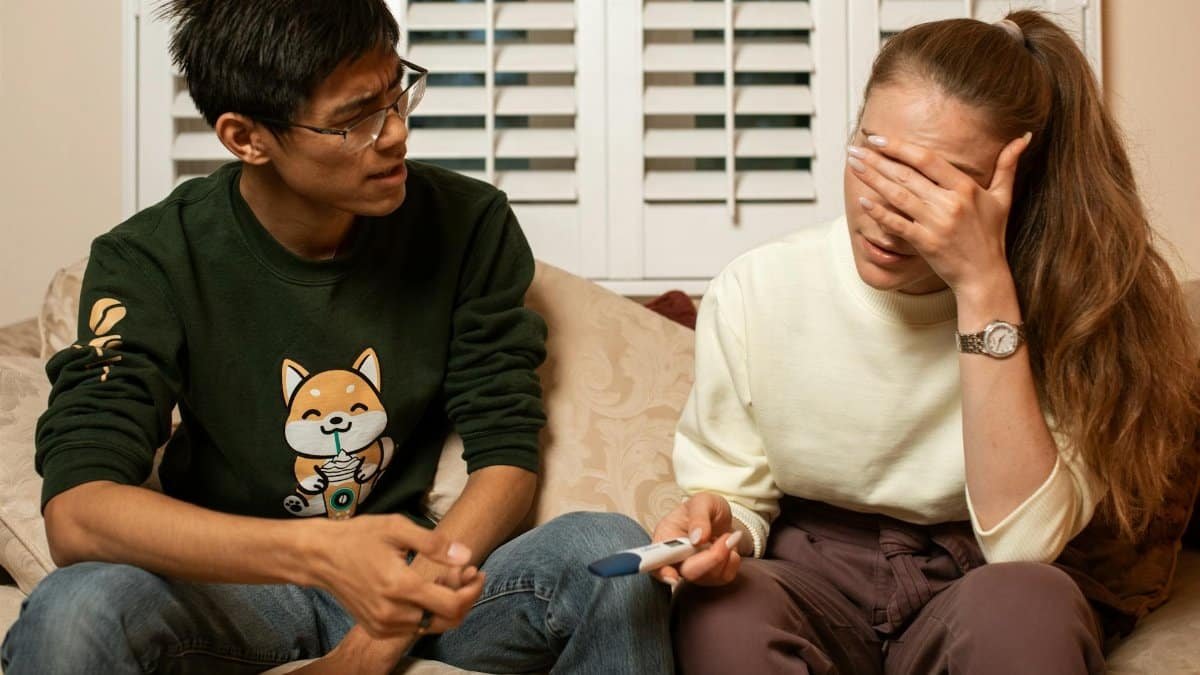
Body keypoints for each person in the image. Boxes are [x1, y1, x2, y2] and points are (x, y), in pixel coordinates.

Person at [0, 1, 671, 673]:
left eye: (396, 93)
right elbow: (78, 514)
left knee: (607, 548)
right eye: (355, 120)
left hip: (417, 581)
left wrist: (375, 639)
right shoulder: (149, 259)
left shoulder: (469, 223)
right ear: (246, 137)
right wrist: (319, 550)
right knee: (76, 607)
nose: (397, 133)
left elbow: (506, 459)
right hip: (238, 589)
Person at [652, 10, 1199, 675]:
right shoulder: (756, 288)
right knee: (720, 611)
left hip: (981, 577)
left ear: (1010, 188)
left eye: (936, 185)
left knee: (1030, 606)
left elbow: (1023, 545)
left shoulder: (1076, 305)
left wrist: (983, 285)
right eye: (875, 157)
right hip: (813, 569)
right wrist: (721, 527)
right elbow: (736, 495)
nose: (886, 207)